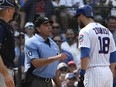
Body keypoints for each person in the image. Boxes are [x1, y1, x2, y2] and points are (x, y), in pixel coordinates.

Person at [75, 5, 116, 87]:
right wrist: (109, 72)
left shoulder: (85, 30)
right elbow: (113, 56)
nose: (77, 20)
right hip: (107, 72)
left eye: (77, 17)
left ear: (82, 16)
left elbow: (85, 55)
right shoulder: (107, 31)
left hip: (93, 72)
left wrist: (82, 74)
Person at [24, 16, 68, 87]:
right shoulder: (31, 42)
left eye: (50, 25)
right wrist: (56, 57)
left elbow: (53, 69)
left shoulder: (54, 44)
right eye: (46, 25)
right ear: (38, 29)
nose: (50, 27)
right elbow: (35, 63)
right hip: (34, 81)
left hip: (49, 82)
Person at [0, 0, 18, 87]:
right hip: (2, 72)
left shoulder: (4, 26)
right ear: (8, 10)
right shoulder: (1, 27)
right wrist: (5, 74)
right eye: (13, 9)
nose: (15, 11)